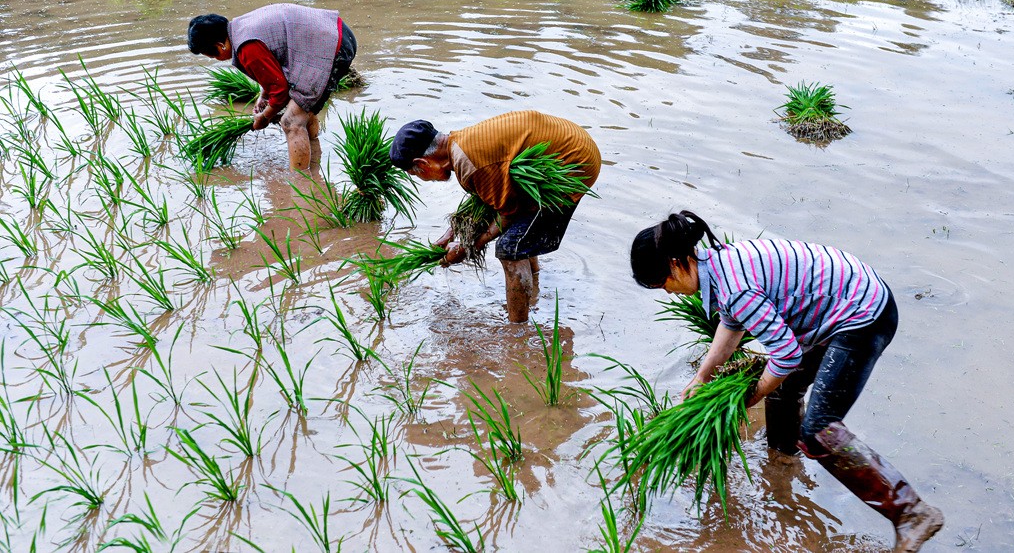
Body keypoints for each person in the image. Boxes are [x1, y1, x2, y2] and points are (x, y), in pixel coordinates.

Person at [629, 211, 944, 553]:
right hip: (842, 303)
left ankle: (912, 513)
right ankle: (782, 463)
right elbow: (732, 325)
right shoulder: (720, 266)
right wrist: (702, 376)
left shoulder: (735, 288)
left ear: (676, 265)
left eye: (663, 284)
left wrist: (751, 395)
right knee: (784, 392)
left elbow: (787, 355)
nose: (669, 292)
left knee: (818, 430)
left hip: (863, 316)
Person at [389, 110, 600, 323]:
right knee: (520, 236)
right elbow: (488, 196)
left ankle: (518, 328)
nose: (424, 179)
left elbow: (507, 214)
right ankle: (533, 286)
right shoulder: (460, 143)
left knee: (509, 248)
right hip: (573, 141)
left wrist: (469, 248)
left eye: (415, 173)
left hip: (574, 164)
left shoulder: (470, 164)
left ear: (423, 164)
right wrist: (450, 234)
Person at [186, 3, 357, 170]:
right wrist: (264, 95)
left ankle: (301, 186)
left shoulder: (247, 47)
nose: (213, 58)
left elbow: (281, 90)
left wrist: (265, 117)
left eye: (209, 54)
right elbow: (274, 67)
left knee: (291, 121)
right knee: (302, 107)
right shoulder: (240, 28)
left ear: (219, 46)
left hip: (331, 47)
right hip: (336, 33)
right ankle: (314, 163)